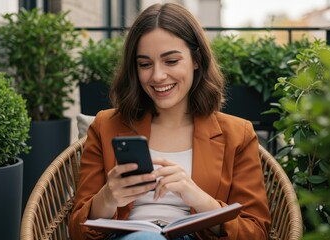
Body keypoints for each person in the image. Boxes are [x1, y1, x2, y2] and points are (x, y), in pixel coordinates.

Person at [69, 3, 270, 240]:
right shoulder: (106, 126)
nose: (157, 76)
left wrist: (198, 198)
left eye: (171, 61)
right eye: (145, 64)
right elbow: (76, 232)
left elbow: (256, 233)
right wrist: (107, 198)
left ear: (196, 60)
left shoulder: (237, 134)